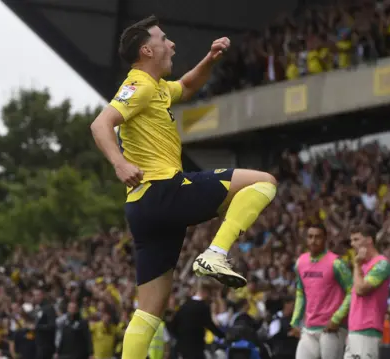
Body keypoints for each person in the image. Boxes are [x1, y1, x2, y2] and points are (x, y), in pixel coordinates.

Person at [90, 15, 277, 359]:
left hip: (145, 208)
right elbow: (101, 123)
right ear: (147, 49)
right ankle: (215, 254)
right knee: (264, 182)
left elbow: (188, 86)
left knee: (149, 310)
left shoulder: (157, 87)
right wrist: (119, 163)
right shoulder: (139, 85)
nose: (172, 44)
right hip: (163, 190)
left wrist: (209, 59)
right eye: (164, 39)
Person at [291, 224, 352, 359]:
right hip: (309, 328)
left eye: (318, 237)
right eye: (310, 237)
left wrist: (336, 319)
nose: (313, 240)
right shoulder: (300, 262)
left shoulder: (336, 263)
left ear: (325, 239)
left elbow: (352, 291)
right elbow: (301, 292)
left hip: (331, 328)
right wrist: (295, 322)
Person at [344, 225, 390, 359]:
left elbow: (361, 289)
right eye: (351, 240)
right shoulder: (362, 265)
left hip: (367, 330)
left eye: (356, 239)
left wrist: (357, 265)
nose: (352, 244)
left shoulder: (382, 264)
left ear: (369, 240)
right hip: (355, 331)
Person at [167, 278, 224, 359]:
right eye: (210, 293)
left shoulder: (184, 305)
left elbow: (173, 325)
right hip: (196, 349)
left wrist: (180, 337)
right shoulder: (203, 307)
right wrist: (222, 335)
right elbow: (209, 325)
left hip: (182, 349)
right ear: (205, 291)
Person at [32, 287, 56, 359]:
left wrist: (36, 327)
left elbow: (52, 326)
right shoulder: (37, 308)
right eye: (34, 295)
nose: (36, 297)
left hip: (46, 345)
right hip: (38, 343)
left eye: (38, 295)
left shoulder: (49, 308)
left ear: (43, 295)